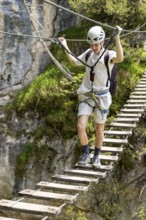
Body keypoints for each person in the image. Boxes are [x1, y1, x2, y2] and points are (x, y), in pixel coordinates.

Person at [59, 25, 123, 168]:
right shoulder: (88, 54)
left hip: (102, 97)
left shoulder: (108, 55)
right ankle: (86, 153)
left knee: (99, 128)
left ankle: (97, 156)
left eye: (96, 45)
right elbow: (75, 62)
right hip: (87, 94)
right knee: (81, 126)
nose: (93, 48)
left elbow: (120, 58)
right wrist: (65, 46)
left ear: (102, 42)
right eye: (91, 45)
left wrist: (117, 36)